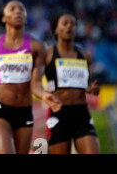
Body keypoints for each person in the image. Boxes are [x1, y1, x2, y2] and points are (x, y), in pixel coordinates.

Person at [0, 0, 62, 154]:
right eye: (12, 9)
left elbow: (35, 84)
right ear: (3, 18)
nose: (18, 12)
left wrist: (44, 95)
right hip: (1, 110)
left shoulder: (37, 46)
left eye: (22, 9)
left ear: (26, 17)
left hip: (25, 112)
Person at [44, 11, 100, 154]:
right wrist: (42, 94)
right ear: (56, 29)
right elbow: (34, 82)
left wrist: (92, 89)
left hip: (81, 114)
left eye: (73, 24)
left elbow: (85, 85)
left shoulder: (85, 56)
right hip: (59, 113)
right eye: (65, 23)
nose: (70, 27)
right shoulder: (48, 54)